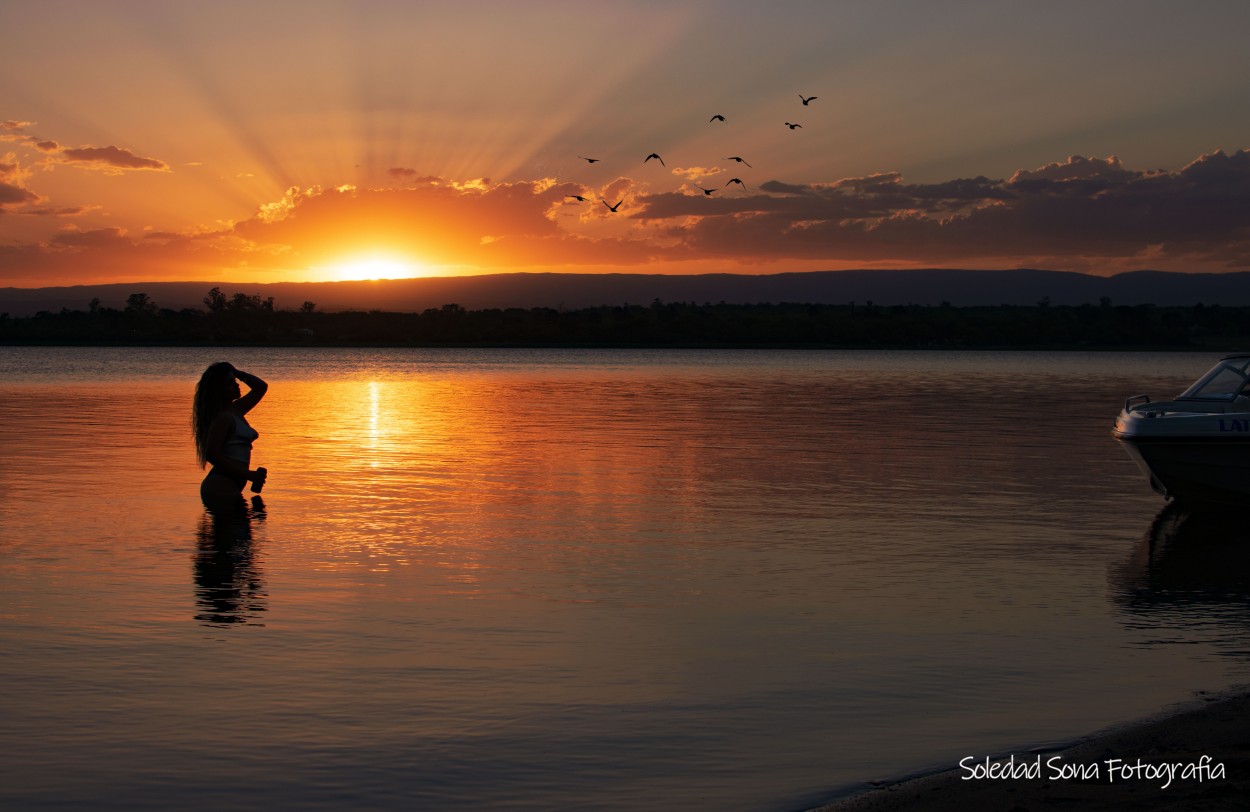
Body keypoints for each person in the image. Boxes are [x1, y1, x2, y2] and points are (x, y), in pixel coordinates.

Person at [193, 362, 268, 503]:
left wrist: (237, 373)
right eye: (229, 383)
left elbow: (261, 388)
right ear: (218, 389)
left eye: (234, 381)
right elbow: (211, 454)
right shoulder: (223, 417)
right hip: (220, 484)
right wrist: (248, 474)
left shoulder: (236, 410)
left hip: (229, 484)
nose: (236, 385)